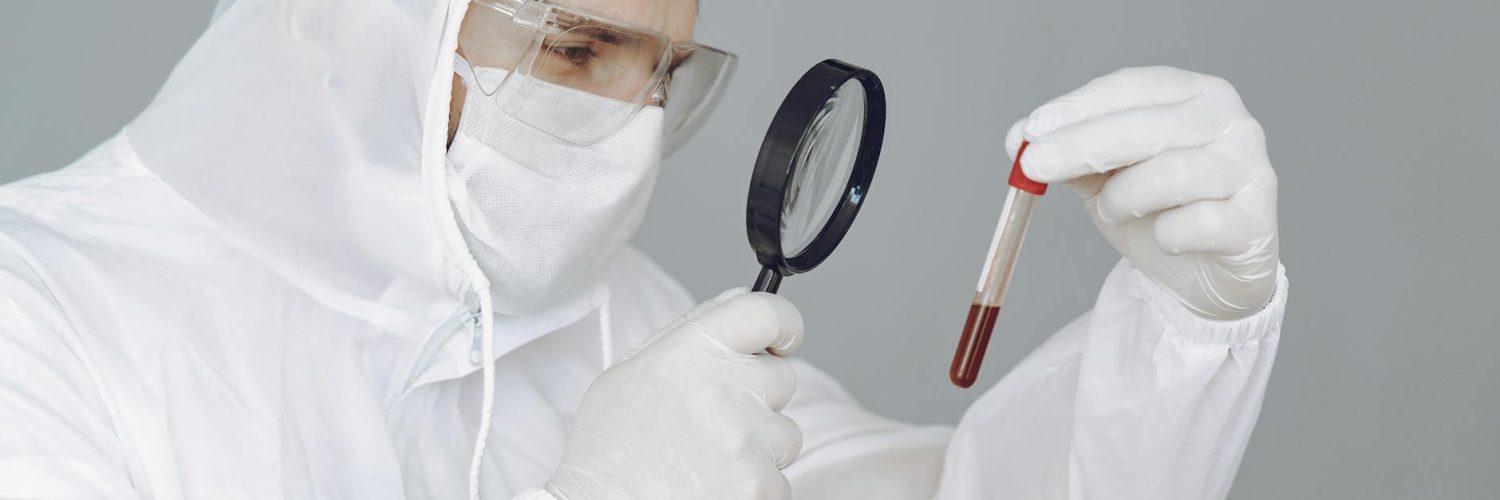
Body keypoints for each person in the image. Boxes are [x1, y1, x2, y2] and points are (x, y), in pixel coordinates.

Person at [0, 0, 1286, 498]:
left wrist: (1185, 328)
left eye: (664, 74)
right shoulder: (40, 312)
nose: (624, 128)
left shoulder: (621, 314)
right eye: (576, 49)